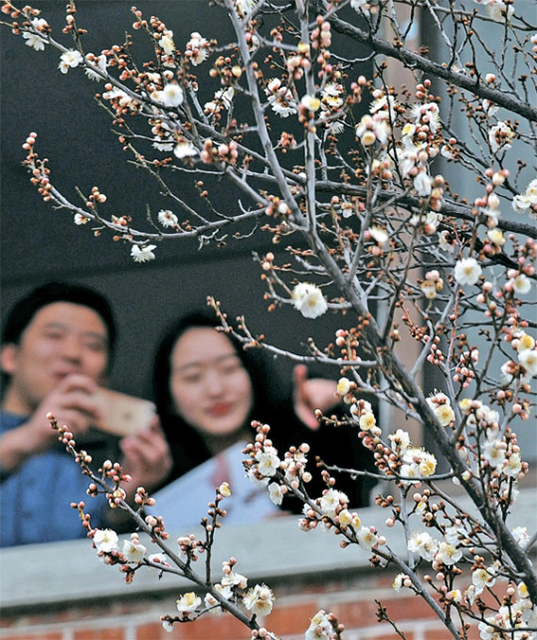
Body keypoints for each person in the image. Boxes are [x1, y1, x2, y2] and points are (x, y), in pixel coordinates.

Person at [149, 311, 376, 529]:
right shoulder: (160, 483)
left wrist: (332, 413)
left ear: (253, 372)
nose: (215, 389)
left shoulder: (306, 451)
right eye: (193, 377)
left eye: (229, 368)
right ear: (168, 398)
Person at [0, 282, 172, 547]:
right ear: (10, 357)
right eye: (54, 335)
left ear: (103, 379)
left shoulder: (105, 468)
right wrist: (27, 439)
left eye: (92, 345)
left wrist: (122, 503)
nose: (72, 354)